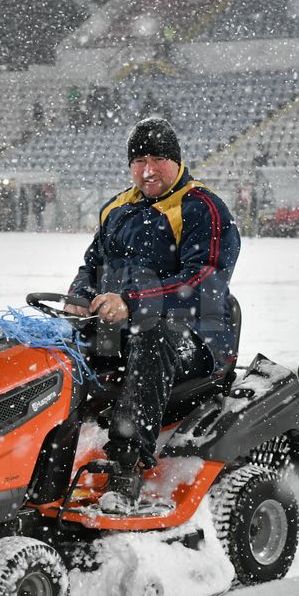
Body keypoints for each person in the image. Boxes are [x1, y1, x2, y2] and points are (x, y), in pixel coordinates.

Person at [67, 117, 240, 513]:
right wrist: (79, 295)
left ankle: (126, 467)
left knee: (154, 335)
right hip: (122, 330)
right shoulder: (117, 209)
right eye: (139, 160)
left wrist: (132, 300)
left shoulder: (202, 208)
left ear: (176, 162)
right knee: (57, 346)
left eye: (158, 158)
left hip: (195, 337)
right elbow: (92, 265)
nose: (148, 169)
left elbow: (203, 280)